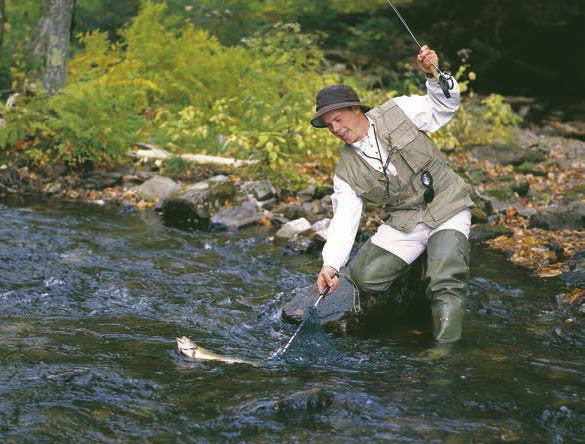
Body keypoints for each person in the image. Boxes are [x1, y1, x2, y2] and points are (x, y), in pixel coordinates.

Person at [312, 45, 474, 343]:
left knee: (446, 284)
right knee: (363, 276)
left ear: (355, 109)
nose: (335, 129)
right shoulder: (345, 171)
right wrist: (330, 264)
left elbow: (443, 108)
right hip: (405, 222)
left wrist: (435, 75)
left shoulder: (399, 110)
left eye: (338, 119)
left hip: (447, 203)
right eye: (328, 125)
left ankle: (444, 356)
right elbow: (344, 219)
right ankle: (421, 266)